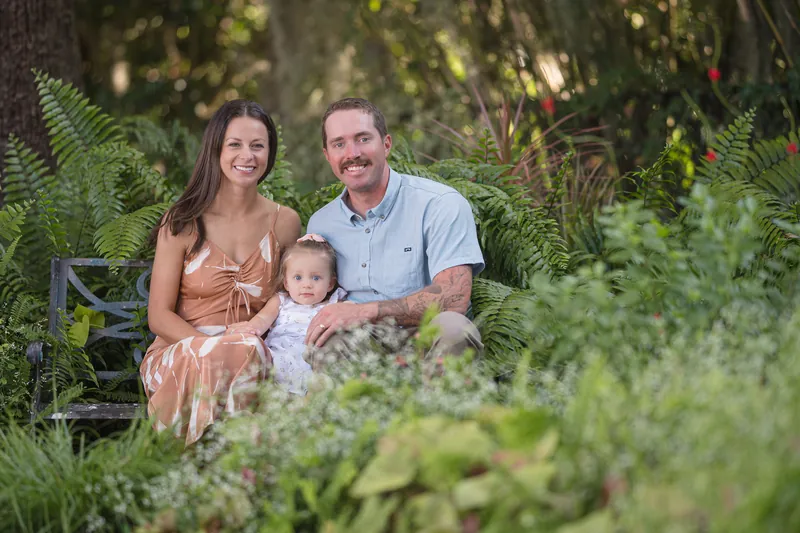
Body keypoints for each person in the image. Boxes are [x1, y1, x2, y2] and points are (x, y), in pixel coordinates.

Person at [140, 99, 301, 446]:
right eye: (235, 145)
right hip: (181, 351)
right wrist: (213, 350)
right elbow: (158, 315)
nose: (248, 156)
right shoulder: (183, 221)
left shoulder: (285, 223)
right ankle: (236, 470)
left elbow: (292, 295)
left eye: (258, 146)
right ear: (216, 149)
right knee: (239, 352)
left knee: (246, 351)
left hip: (255, 352)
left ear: (270, 154)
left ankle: (194, 472)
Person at [304, 97, 484, 363]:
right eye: (339, 144)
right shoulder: (321, 225)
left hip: (430, 335)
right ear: (327, 155)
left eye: (363, 139)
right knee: (328, 340)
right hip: (361, 345)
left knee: (454, 329)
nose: (352, 153)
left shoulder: (440, 204)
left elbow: (453, 298)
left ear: (386, 144)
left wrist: (366, 311)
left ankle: (444, 403)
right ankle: (349, 404)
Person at [226, 238, 347, 394]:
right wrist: (251, 328)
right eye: (298, 278)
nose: (307, 284)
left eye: (316, 278)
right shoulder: (281, 300)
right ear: (287, 283)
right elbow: (263, 319)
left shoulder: (334, 304)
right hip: (278, 356)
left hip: (311, 360)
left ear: (330, 283)